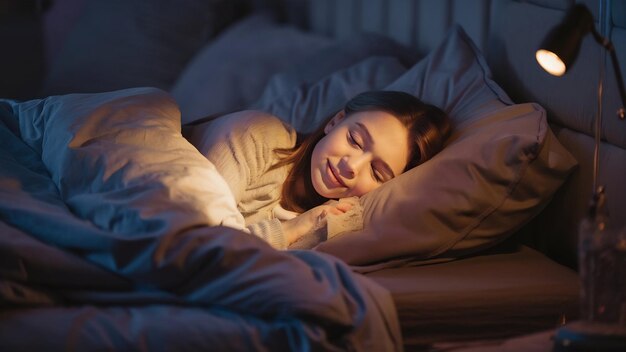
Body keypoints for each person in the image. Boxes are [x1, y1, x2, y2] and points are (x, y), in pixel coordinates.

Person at [183, 91, 451, 249]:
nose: (351, 166)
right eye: (354, 140)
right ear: (336, 122)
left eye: (377, 173)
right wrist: (290, 230)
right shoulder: (257, 136)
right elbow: (198, 245)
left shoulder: (332, 227)